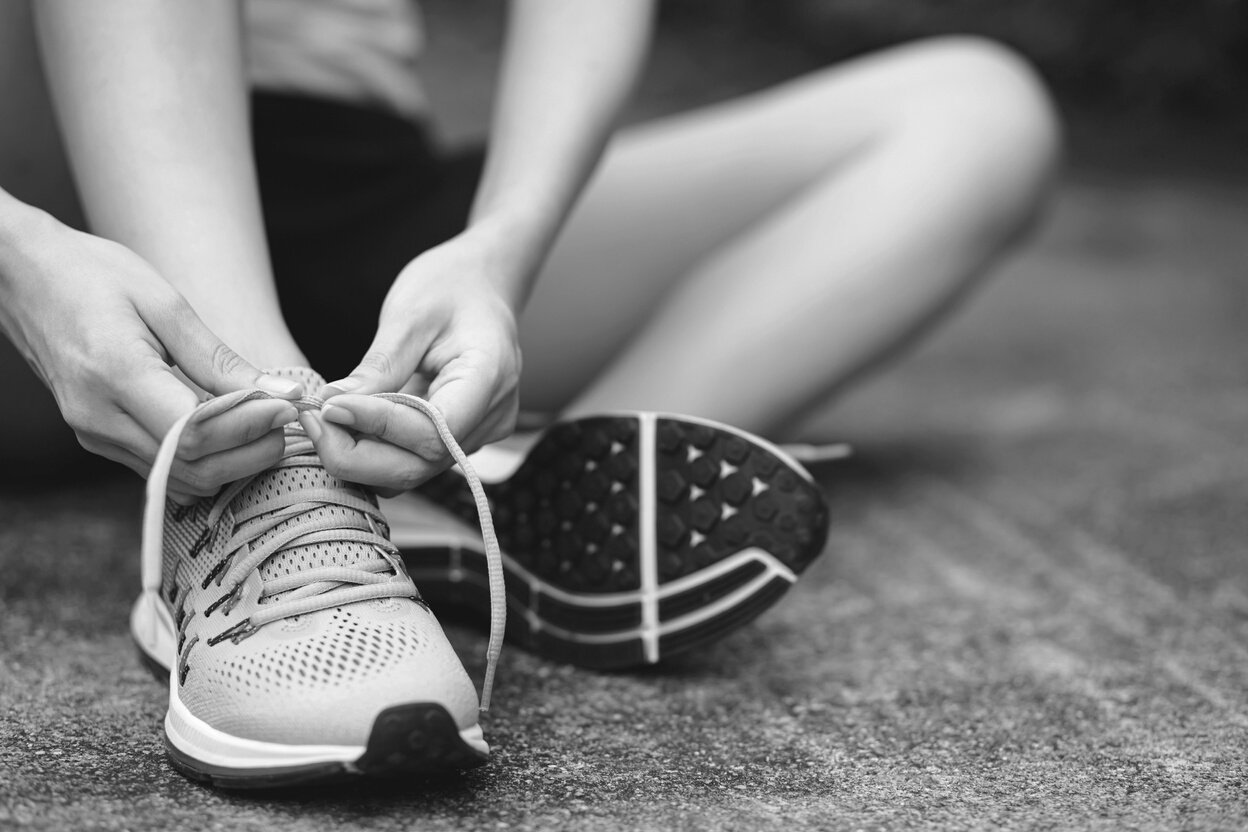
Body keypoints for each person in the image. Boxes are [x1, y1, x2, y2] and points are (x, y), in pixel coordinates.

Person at [0, 0, 1059, 787]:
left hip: (354, 193)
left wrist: (503, 247)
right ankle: (262, 486)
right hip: (48, 225)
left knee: (976, 112)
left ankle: (468, 494)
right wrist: (19, 257)